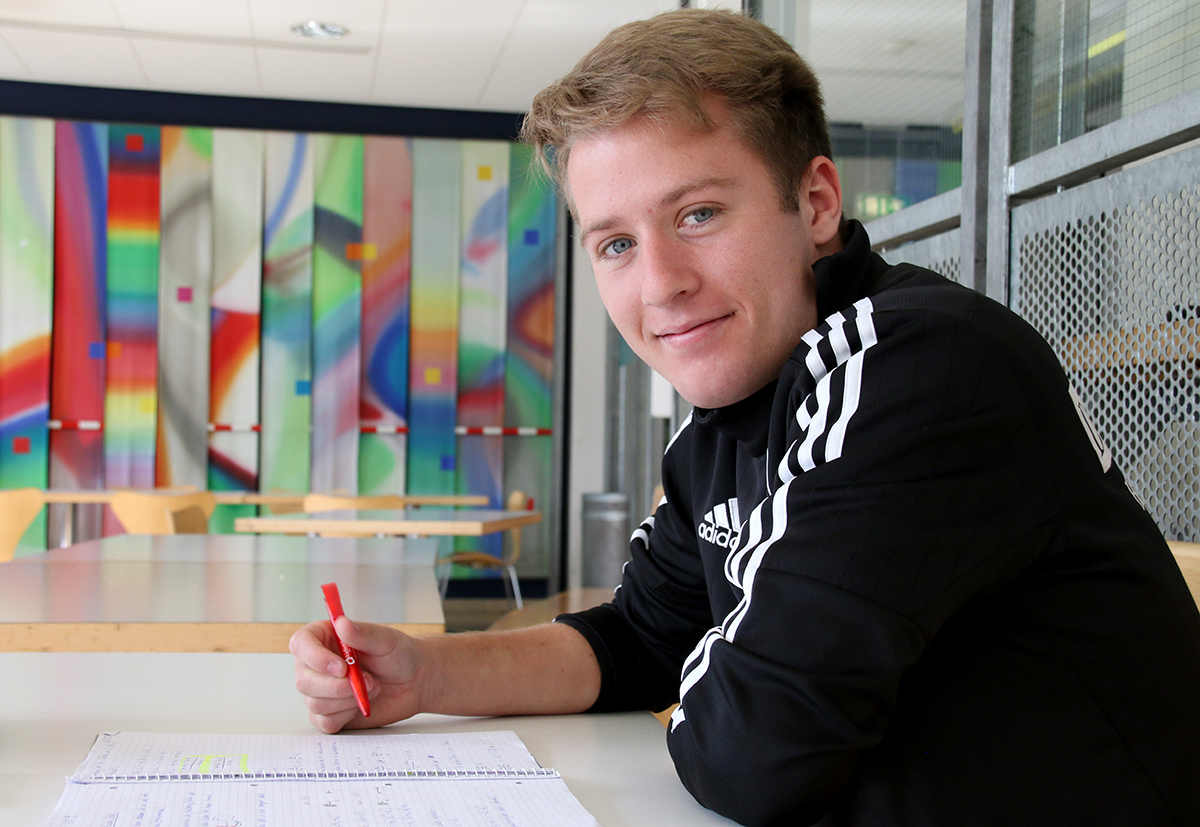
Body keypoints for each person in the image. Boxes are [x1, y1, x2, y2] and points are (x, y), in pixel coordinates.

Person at [291, 9, 1200, 826]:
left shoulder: (922, 369)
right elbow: (642, 637)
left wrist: (723, 670)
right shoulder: (728, 416)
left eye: (697, 213)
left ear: (814, 203)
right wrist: (427, 674)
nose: (659, 285)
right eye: (615, 242)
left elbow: (758, 751)